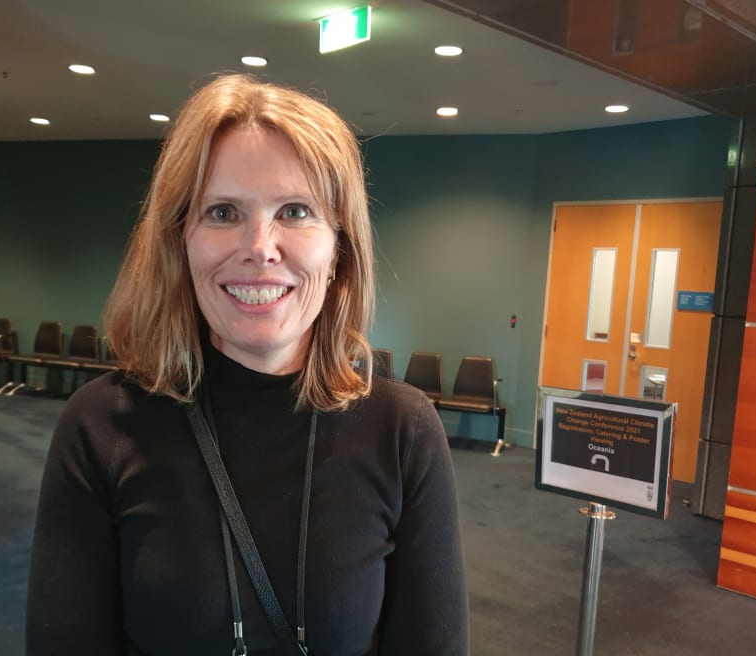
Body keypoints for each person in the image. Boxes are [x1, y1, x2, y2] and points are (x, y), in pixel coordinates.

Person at [26, 73, 469, 655]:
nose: (260, 246)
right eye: (223, 212)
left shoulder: (402, 429)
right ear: (180, 242)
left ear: (339, 251)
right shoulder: (102, 426)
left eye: (294, 210)